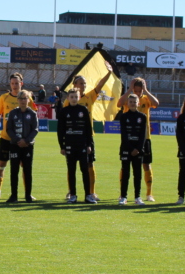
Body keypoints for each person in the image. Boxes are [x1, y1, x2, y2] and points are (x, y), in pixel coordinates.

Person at [61, 60, 114, 201]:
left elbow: (100, 85)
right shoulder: (68, 101)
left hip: (86, 137)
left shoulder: (90, 96)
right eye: (81, 83)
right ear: (75, 85)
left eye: (84, 83)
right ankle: (71, 191)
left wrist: (109, 73)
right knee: (71, 166)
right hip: (72, 138)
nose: (83, 85)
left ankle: (92, 192)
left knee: (89, 164)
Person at [0, 72, 36, 200]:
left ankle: (27, 193)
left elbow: (33, 116)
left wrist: (28, 138)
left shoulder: (27, 98)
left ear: (21, 84)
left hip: (23, 140)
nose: (15, 85)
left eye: (17, 83)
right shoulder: (4, 97)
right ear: (10, 84)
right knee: (2, 164)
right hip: (7, 137)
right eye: (12, 83)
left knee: (24, 166)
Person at [115, 77, 160, 202]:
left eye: (140, 90)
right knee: (125, 166)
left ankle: (149, 194)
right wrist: (129, 89)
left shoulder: (146, 99)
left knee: (146, 165)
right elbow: (119, 103)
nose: (138, 93)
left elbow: (156, 103)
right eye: (136, 90)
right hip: (128, 139)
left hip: (144, 138)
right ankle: (122, 194)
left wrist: (146, 91)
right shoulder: (128, 99)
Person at [58, 88, 95, 204]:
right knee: (71, 170)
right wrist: (62, 146)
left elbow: (88, 129)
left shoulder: (83, 110)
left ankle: (88, 195)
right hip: (70, 145)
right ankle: (73, 195)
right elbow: (60, 130)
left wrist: (89, 145)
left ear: (79, 98)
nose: (74, 99)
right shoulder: (64, 111)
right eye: (72, 97)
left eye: (76, 97)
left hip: (82, 145)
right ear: (68, 98)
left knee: (85, 170)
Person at [5, 89, 39, 203]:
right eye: (21, 98)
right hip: (15, 145)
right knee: (14, 171)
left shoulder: (32, 114)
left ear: (28, 100)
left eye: (25, 98)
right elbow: (9, 129)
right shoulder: (13, 113)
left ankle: (28, 195)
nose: (23, 101)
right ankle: (13, 196)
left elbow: (35, 130)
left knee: (27, 171)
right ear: (17, 100)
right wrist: (18, 140)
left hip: (28, 146)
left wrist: (26, 141)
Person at [119, 93, 148, 206]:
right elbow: (124, 135)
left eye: (134, 102)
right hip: (126, 149)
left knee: (137, 174)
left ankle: (137, 197)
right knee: (125, 174)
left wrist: (138, 149)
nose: (132, 104)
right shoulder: (123, 116)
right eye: (130, 102)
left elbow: (143, 135)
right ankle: (123, 197)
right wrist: (131, 148)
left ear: (138, 103)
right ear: (127, 103)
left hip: (138, 150)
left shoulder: (142, 117)